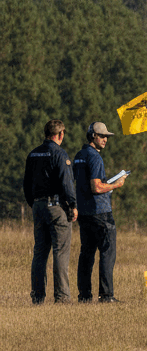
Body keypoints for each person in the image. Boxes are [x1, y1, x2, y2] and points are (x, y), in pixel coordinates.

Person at [24, 120, 78, 304]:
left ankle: (37, 296)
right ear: (60, 134)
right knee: (60, 252)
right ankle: (62, 297)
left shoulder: (33, 154)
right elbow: (66, 183)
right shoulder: (60, 154)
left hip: (38, 206)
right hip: (56, 207)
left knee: (39, 253)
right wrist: (72, 205)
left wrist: (34, 203)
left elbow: (26, 184)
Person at [73, 122, 126, 303]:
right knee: (107, 252)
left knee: (86, 253)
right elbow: (96, 186)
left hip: (84, 211)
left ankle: (84, 295)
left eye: (107, 137)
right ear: (93, 136)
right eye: (102, 136)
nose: (105, 139)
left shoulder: (79, 156)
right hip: (101, 212)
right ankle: (106, 295)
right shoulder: (95, 157)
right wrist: (116, 184)